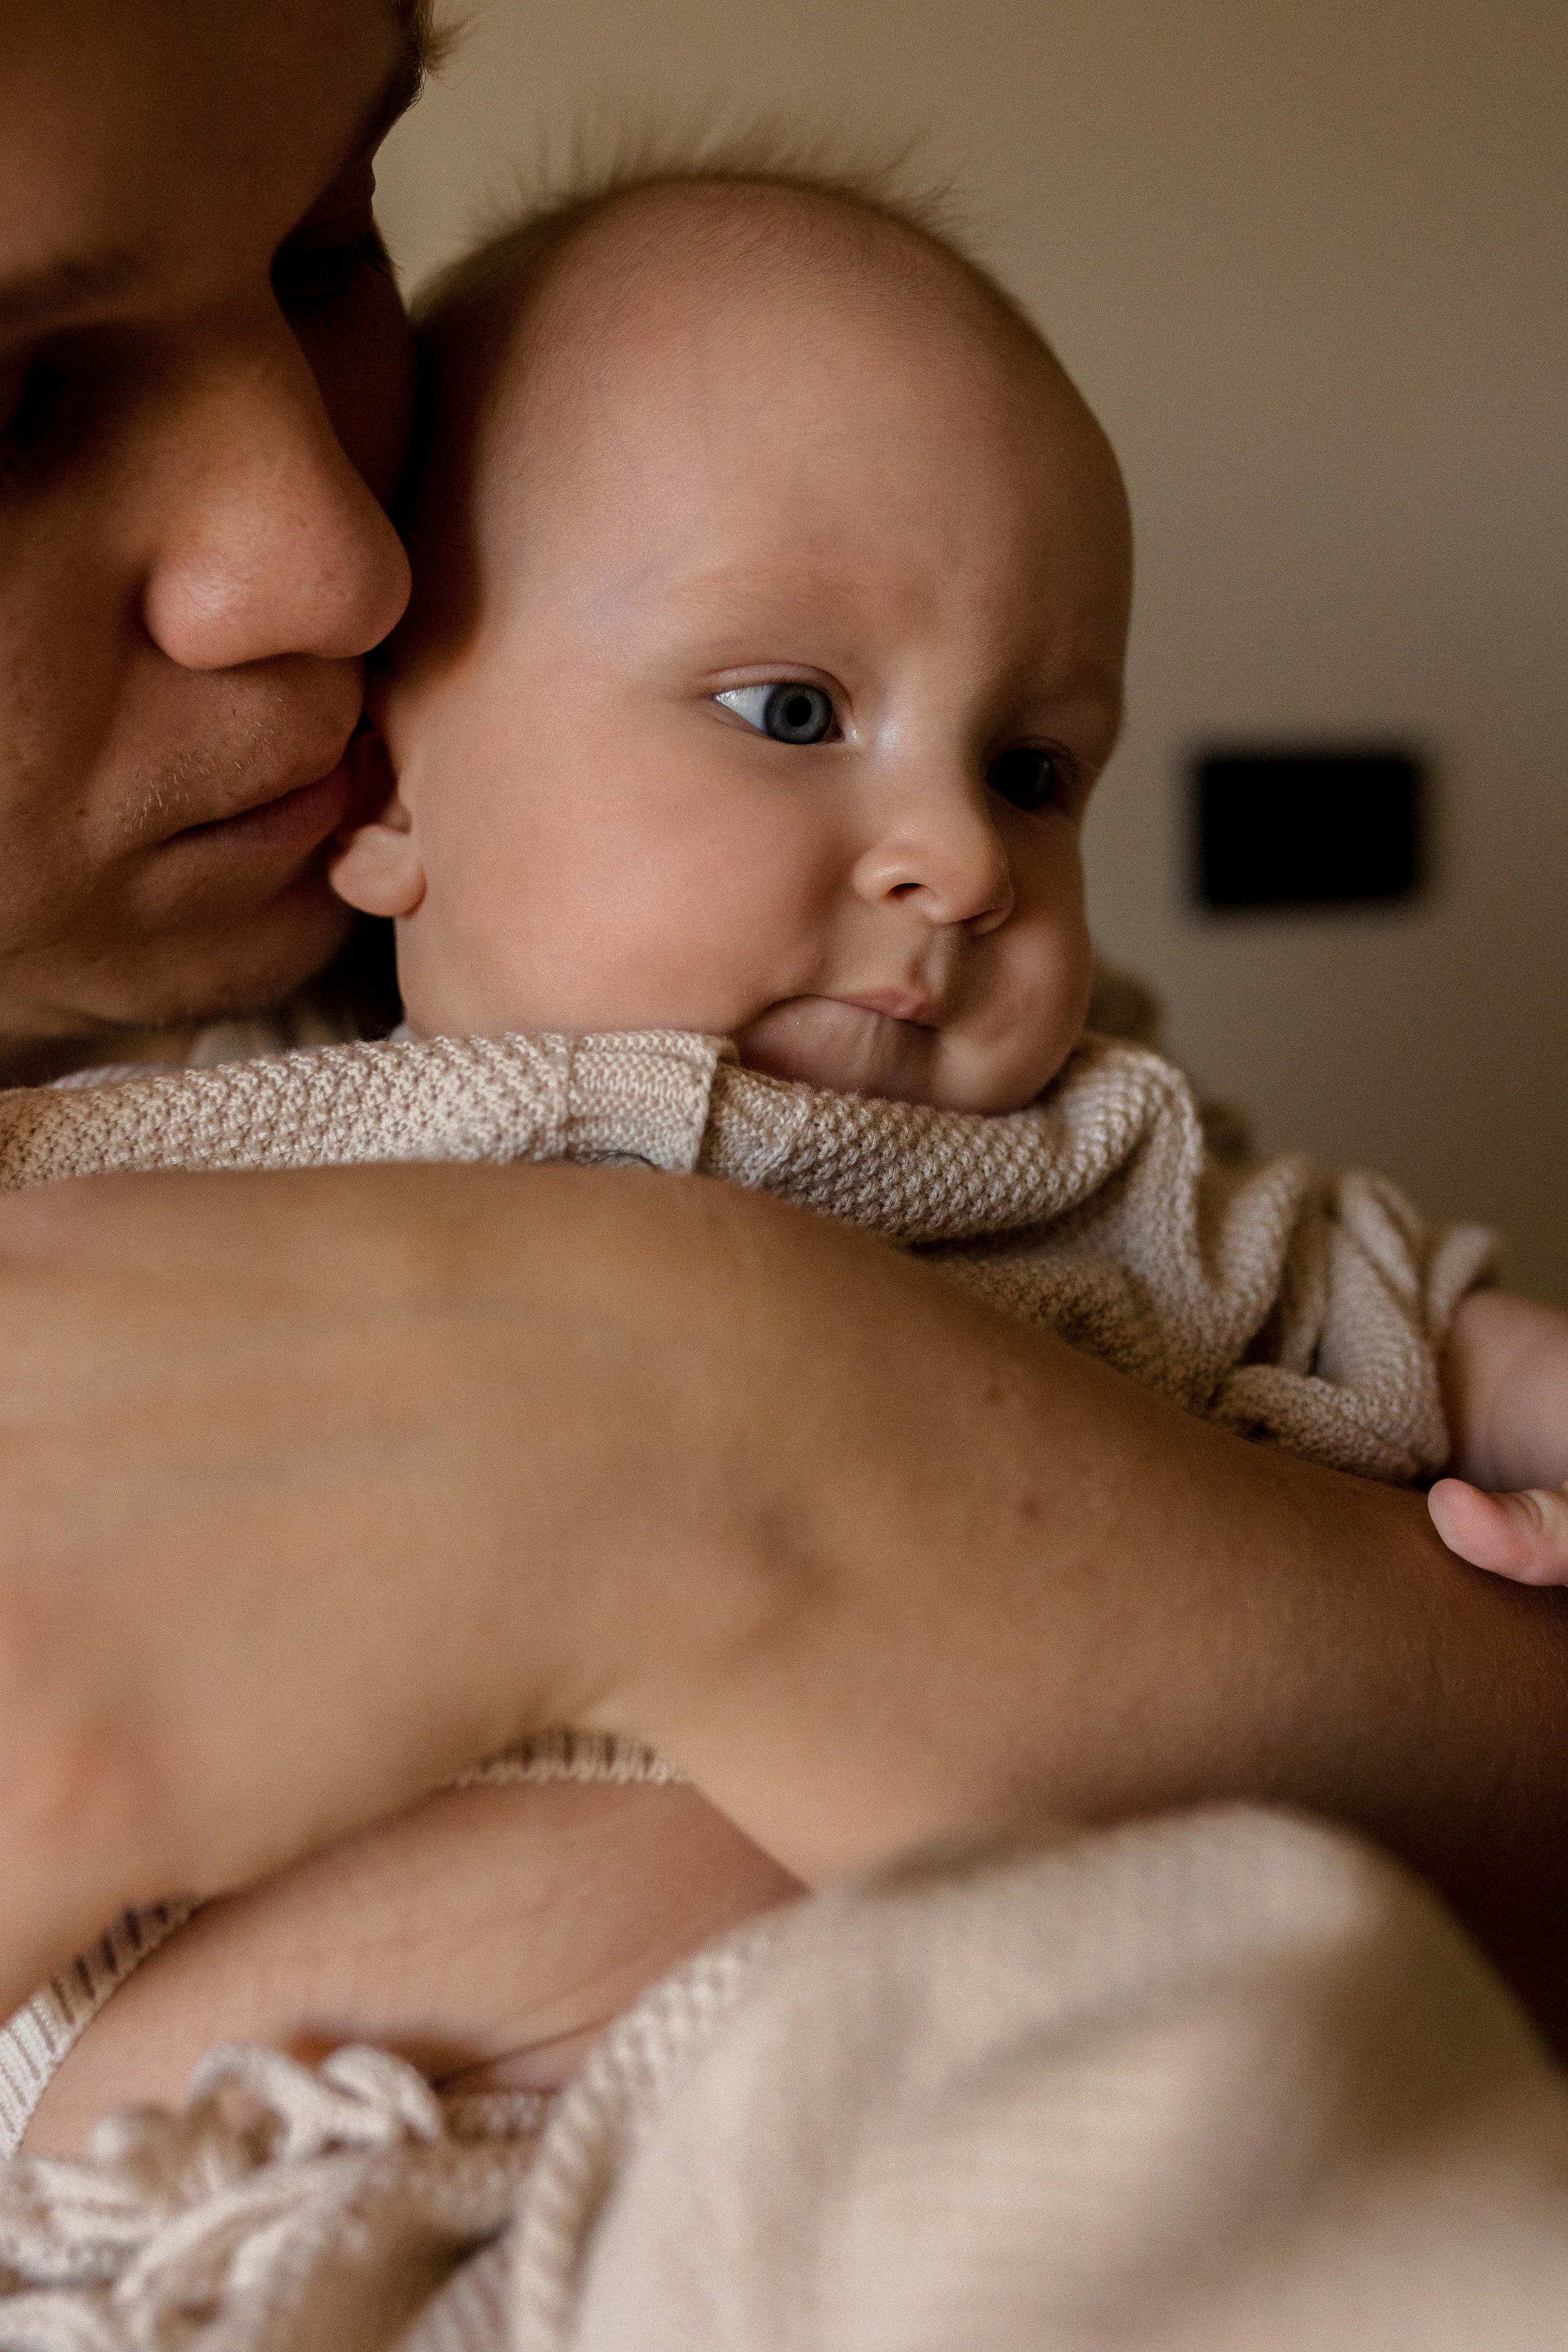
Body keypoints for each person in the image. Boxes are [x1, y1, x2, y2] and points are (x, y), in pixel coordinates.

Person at [5, 0, 1568, 2188]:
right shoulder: (129, 1179)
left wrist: (768, 1458)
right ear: (403, 807)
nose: (342, 563)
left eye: (327, 240)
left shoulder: (1057, 1133)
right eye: (16, 403)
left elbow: (1352, 1292)